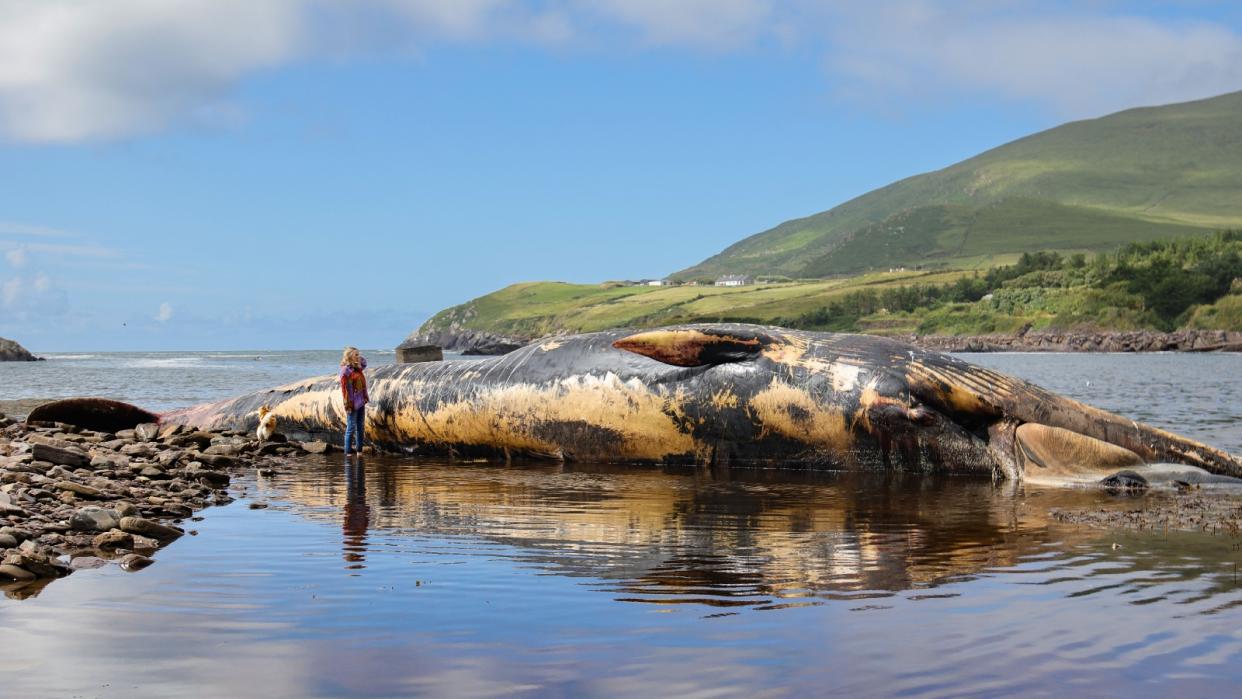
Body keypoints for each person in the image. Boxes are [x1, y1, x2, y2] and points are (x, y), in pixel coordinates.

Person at [339, 346, 369, 456]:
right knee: (351, 428)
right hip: (352, 403)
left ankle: (359, 451)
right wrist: (348, 405)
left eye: (358, 354)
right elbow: (345, 389)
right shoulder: (345, 370)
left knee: (360, 427)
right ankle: (348, 453)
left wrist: (358, 358)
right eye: (356, 355)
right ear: (350, 356)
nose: (358, 356)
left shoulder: (357, 368)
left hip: (361, 401)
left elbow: (365, 363)